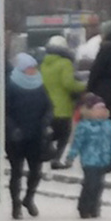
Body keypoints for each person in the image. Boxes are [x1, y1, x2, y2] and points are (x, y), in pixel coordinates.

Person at [3, 52, 52, 219]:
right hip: (16, 137)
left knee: (36, 171)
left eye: (34, 68)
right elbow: (5, 111)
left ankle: (29, 198)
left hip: (36, 136)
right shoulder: (10, 86)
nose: (33, 71)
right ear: (22, 69)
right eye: (29, 68)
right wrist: (12, 128)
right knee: (16, 172)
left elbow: (48, 107)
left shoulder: (39, 85)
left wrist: (46, 122)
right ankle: (15, 204)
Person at [65, 92, 111, 219]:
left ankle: (94, 207)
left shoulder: (108, 125)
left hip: (104, 160)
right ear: (89, 111)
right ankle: (84, 207)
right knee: (90, 184)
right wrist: (71, 156)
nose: (101, 111)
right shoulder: (84, 126)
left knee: (99, 185)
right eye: (98, 108)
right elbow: (77, 143)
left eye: (103, 108)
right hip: (89, 160)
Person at [40, 34, 84, 168]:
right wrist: (84, 86)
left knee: (49, 133)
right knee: (64, 135)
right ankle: (56, 159)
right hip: (62, 107)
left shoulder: (43, 64)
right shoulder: (65, 63)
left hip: (46, 108)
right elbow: (68, 84)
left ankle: (44, 154)